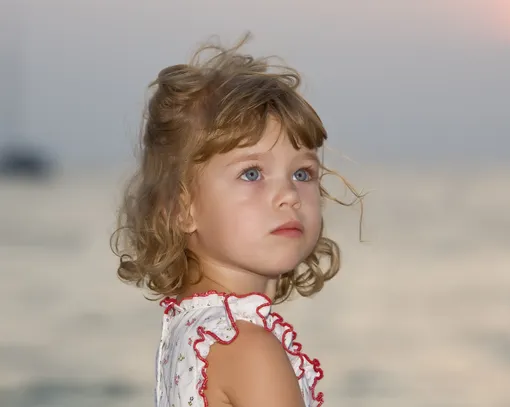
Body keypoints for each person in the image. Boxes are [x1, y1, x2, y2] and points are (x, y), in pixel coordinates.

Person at [111, 33, 359, 407]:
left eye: (303, 173)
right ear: (183, 209)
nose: (290, 195)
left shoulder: (190, 331)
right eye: (252, 173)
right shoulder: (247, 349)